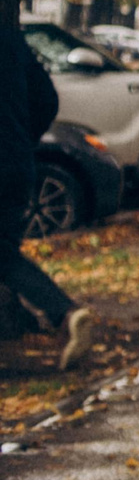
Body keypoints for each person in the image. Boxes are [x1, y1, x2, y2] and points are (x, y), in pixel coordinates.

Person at [0, 22, 89, 369]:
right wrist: (20, 140)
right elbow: (46, 99)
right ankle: (65, 314)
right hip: (17, 163)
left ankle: (63, 311)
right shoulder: (8, 36)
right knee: (3, 253)